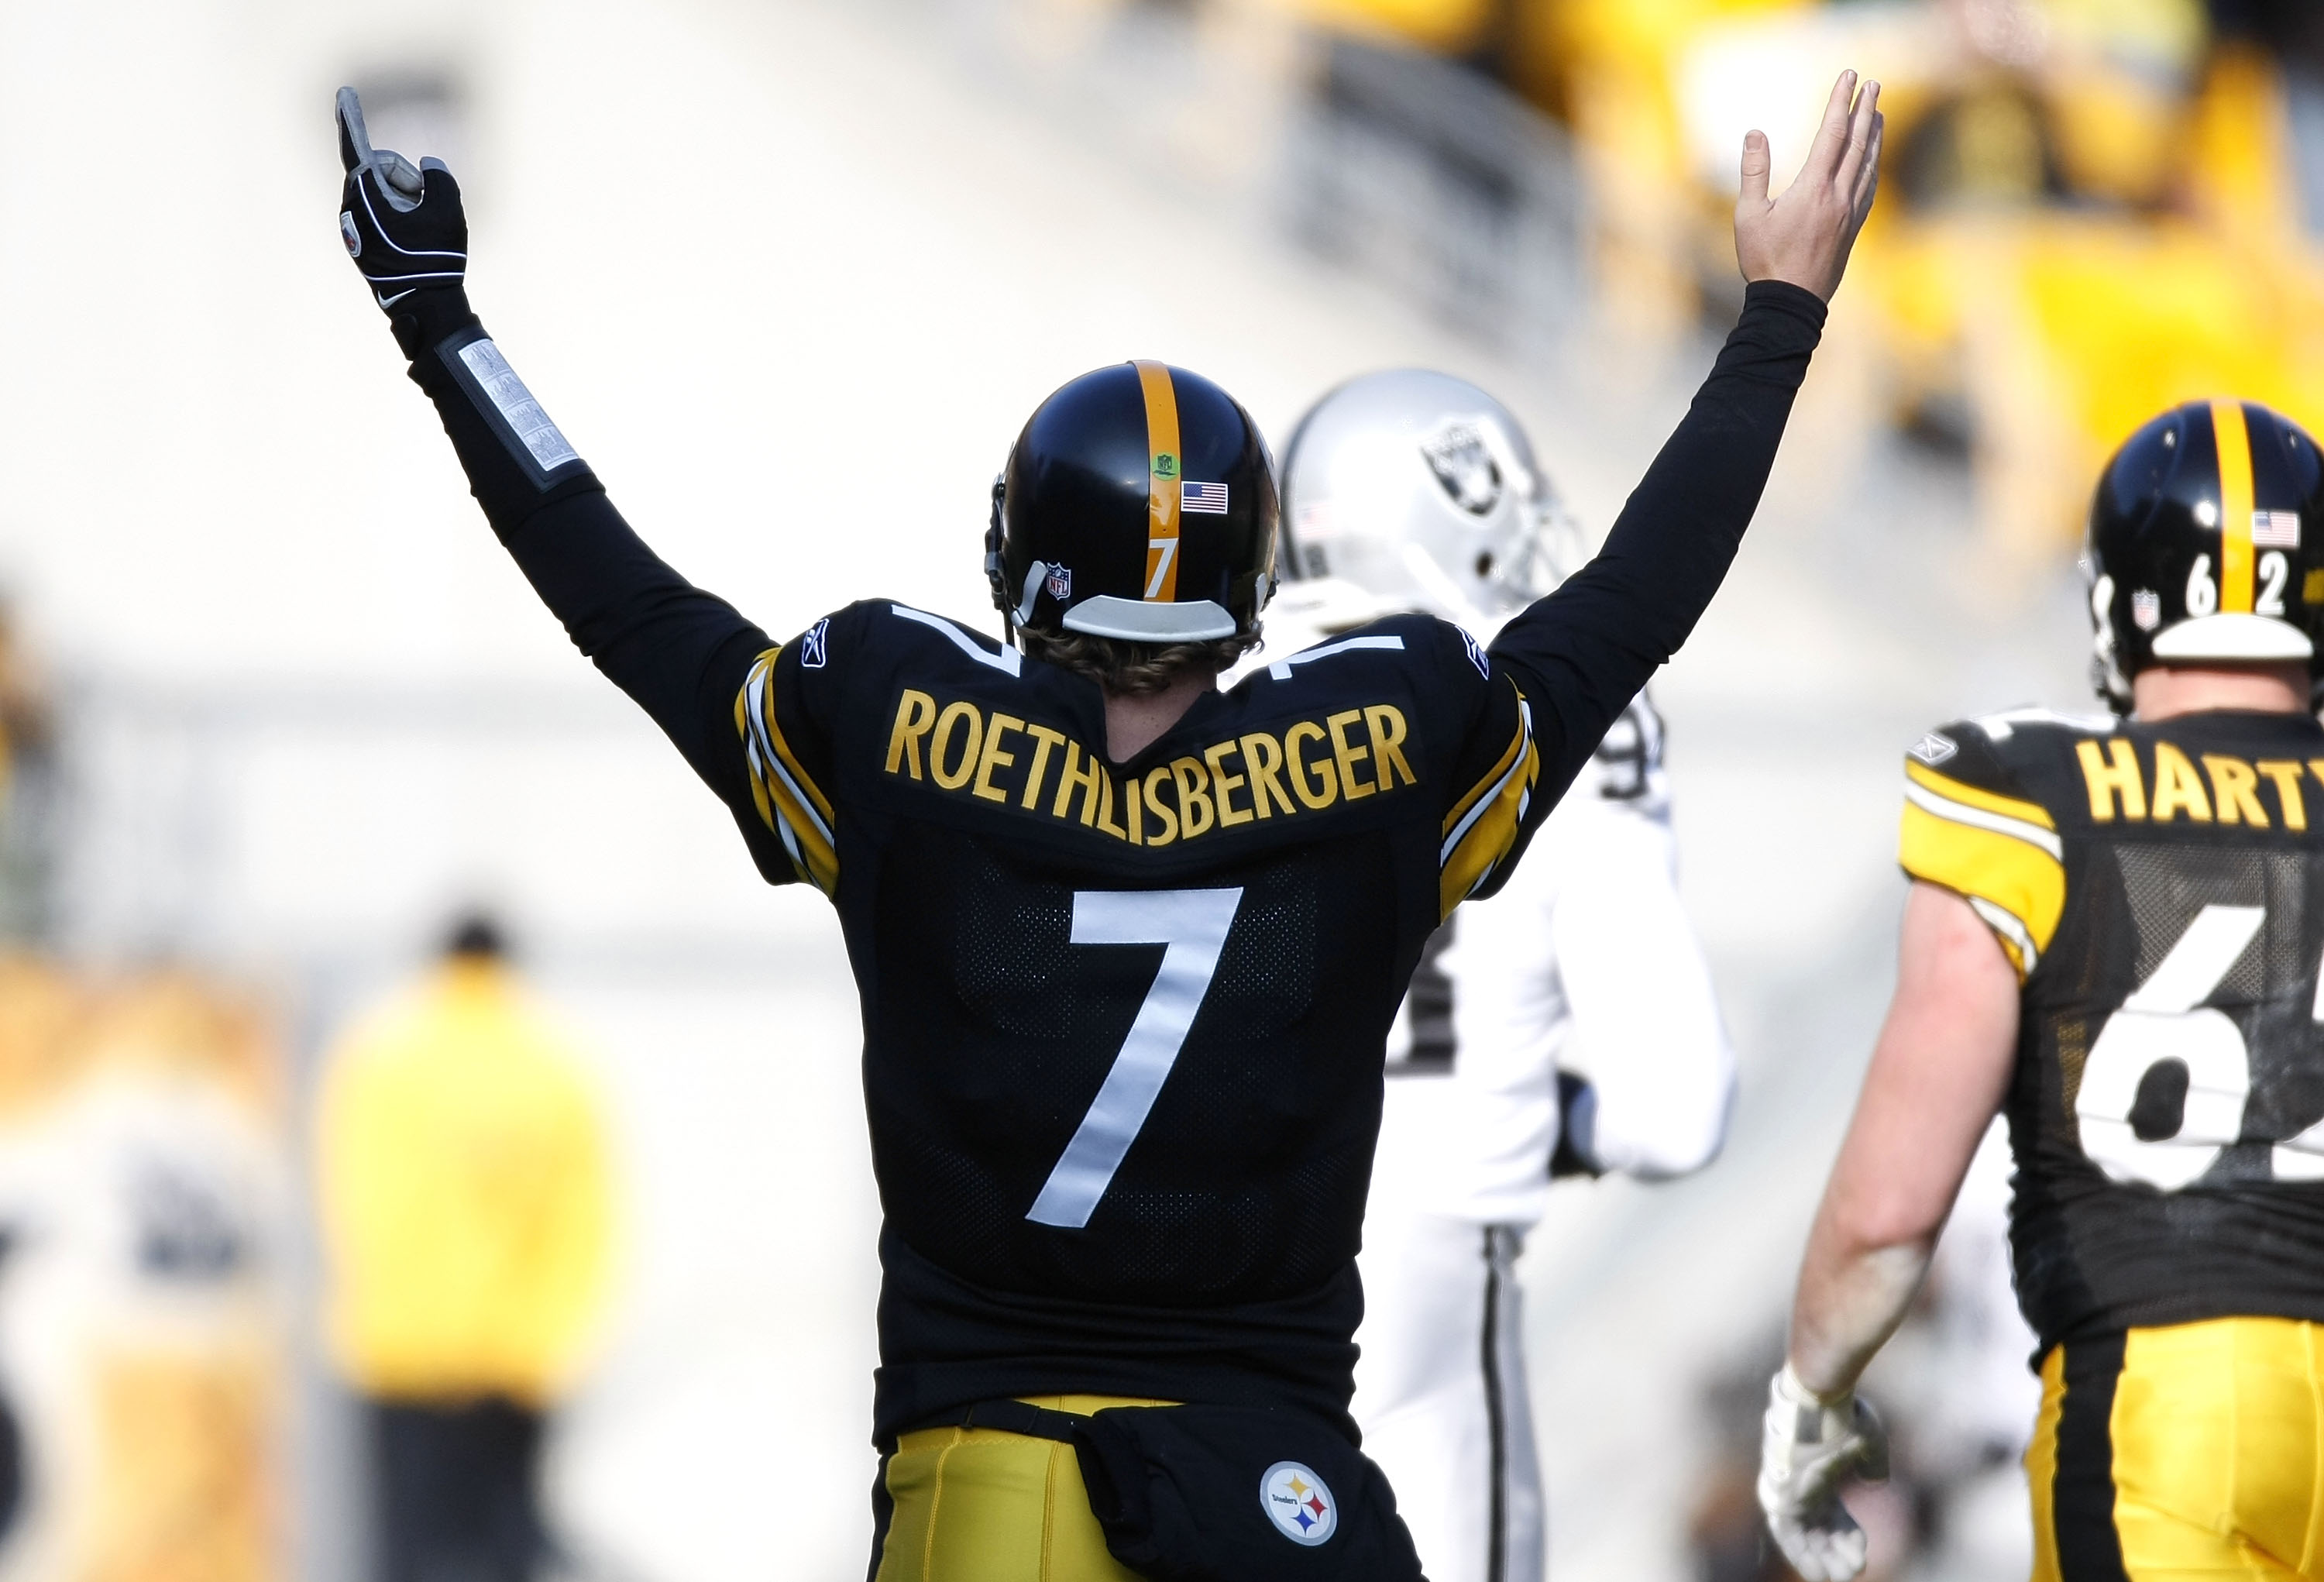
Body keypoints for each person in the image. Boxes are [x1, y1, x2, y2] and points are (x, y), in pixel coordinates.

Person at [332, 70, 1879, 1580]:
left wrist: (442, 327)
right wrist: (1776, 325)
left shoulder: (893, 713)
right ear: (1253, 578)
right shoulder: (1383, 735)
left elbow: (627, 600)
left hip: (986, 1484)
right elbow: (1625, 609)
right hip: (1275, 1493)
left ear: (1021, 562)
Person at [1758, 398, 2324, 1582]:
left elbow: (1888, 1213)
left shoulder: (2030, 798)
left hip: (2170, 1408)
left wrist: (1814, 1394)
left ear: (2120, 599)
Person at [1246, 371, 1734, 1582]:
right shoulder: (1545, 715)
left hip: (1205, 1251)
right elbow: (1675, 1112)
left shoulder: (1209, 693)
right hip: (1427, 1252)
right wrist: (1556, 1118)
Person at [315, 913, 612, 1582]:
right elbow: (586, 1224)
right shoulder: (553, 1072)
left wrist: (416, 1320)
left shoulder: (384, 1061)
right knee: (508, 1556)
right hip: (512, 1366)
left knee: (405, 1556)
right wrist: (538, 1337)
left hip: (405, 1359)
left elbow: (357, 1202)